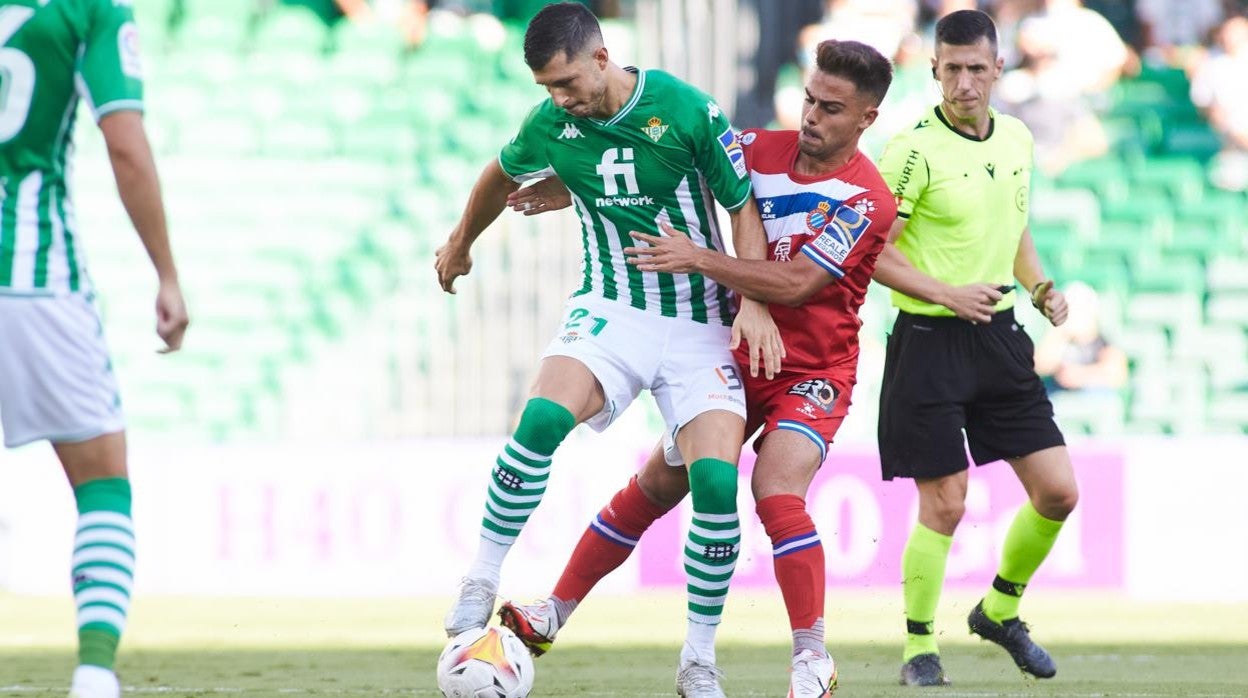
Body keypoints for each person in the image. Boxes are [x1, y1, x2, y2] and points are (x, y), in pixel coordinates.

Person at [496, 39, 898, 698]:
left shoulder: (865, 199)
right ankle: (552, 614)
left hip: (812, 372)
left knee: (774, 489)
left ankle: (810, 658)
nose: (813, 118)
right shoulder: (754, 148)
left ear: (866, 119)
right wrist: (564, 188)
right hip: (732, 356)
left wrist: (698, 258)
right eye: (809, 100)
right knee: (658, 484)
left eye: (831, 109)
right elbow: (659, 164)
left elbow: (796, 282)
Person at [433, 4, 782, 694]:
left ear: (600, 58)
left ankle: (699, 660)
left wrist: (757, 302)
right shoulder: (554, 123)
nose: (559, 99)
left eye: (566, 82)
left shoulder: (686, 110)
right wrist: (459, 243)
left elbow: (740, 204)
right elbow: (498, 177)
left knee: (715, 485)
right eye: (547, 90)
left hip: (698, 323)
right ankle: (481, 576)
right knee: (538, 422)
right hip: (611, 308)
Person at [871, 9, 1078, 687]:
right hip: (929, 341)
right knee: (947, 503)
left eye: (977, 69)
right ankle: (918, 649)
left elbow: (1013, 230)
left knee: (1058, 493)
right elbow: (874, 253)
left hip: (1001, 337)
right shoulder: (909, 149)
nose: (964, 82)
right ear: (933, 70)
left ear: (997, 69)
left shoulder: (1017, 138)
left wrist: (1042, 287)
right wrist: (947, 292)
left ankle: (998, 610)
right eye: (951, 69)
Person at [0, 2, 189, 697]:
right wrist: (166, 273)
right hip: (30, 276)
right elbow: (125, 147)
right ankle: (93, 677)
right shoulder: (92, 10)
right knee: (102, 483)